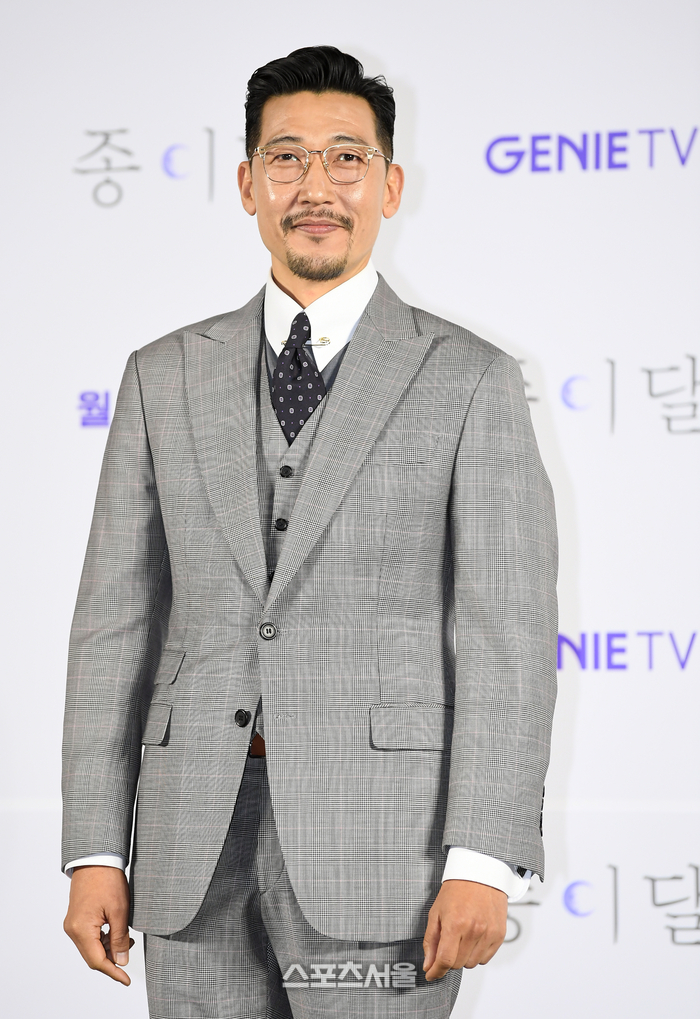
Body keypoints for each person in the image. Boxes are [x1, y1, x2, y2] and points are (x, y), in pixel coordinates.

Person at [62, 45, 558, 1019]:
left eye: (345, 158)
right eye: (286, 158)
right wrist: (94, 848)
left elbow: (506, 635)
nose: (315, 186)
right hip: (189, 846)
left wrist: (482, 857)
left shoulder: (471, 378)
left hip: (388, 850)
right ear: (248, 183)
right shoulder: (161, 374)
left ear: (390, 185)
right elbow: (113, 624)